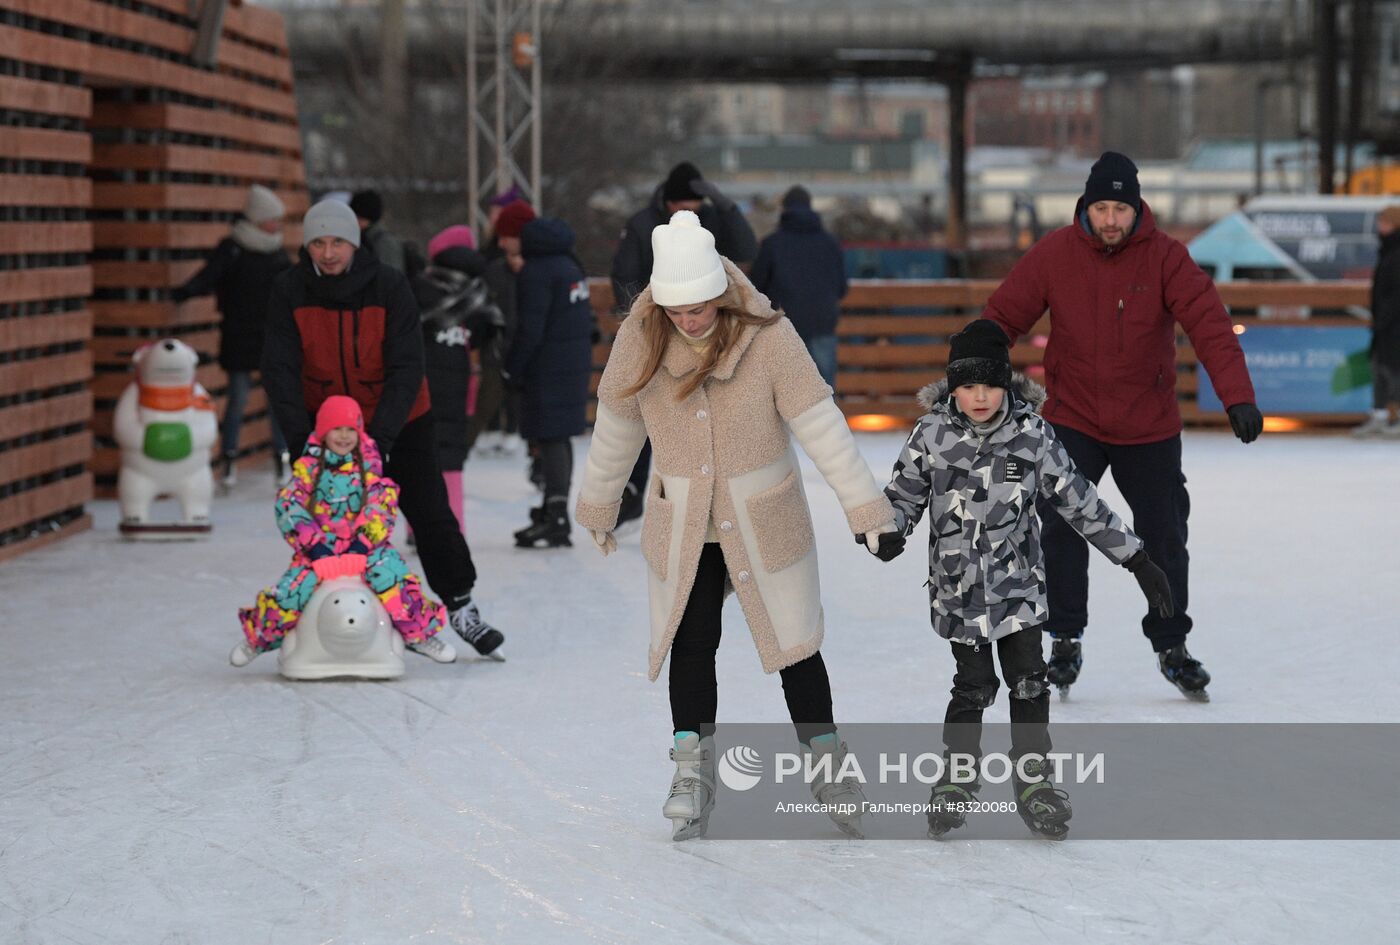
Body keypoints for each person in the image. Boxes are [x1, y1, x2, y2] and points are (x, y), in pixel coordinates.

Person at [576, 210, 895, 841]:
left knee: (796, 647)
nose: (689, 321)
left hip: (763, 517)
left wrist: (866, 509)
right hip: (686, 521)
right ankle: (693, 769)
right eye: (677, 310)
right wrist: (599, 502)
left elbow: (820, 424)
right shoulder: (641, 338)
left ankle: (829, 765)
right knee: (690, 647)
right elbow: (617, 424)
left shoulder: (769, 336)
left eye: (699, 308)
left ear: (720, 294)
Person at [873, 320, 1174, 839]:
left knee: (1030, 683)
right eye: (968, 386)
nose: (980, 396)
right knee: (972, 688)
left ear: (1007, 384)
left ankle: (1034, 785)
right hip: (960, 592)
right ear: (953, 386)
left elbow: (1081, 502)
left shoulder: (1032, 435)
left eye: (990, 385)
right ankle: (956, 780)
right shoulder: (932, 435)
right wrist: (887, 531)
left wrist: (1136, 560)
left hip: (1019, 592)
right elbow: (902, 497)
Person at [981, 151, 1261, 701]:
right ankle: (1063, 636)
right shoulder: (1055, 254)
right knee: (1061, 525)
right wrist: (972, 375)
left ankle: (1170, 643)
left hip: (1148, 421)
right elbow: (1002, 316)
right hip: (1073, 415)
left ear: (1138, 210)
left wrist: (1238, 397)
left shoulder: (1166, 259)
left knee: (1162, 536)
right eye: (1102, 207)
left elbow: (1210, 325)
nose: (1111, 220)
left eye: (1121, 209)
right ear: (1086, 206)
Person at [262, 199, 506, 660]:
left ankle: (460, 604)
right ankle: (331, 617)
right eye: (318, 242)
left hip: (401, 420)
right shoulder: (288, 291)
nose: (328, 252)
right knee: (331, 527)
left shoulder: (390, 286)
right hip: (328, 429)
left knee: (430, 512)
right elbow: (279, 370)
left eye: (337, 242)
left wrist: (382, 439)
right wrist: (302, 443)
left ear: (354, 243)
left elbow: (407, 365)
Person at [231, 396, 457, 667]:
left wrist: (363, 544)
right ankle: (259, 639)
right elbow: (289, 506)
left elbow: (381, 504)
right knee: (291, 591)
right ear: (323, 431)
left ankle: (419, 636)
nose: (344, 436)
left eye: (351, 429)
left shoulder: (369, 465)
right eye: (336, 429)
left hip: (367, 550)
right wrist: (315, 547)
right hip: (320, 551)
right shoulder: (308, 468)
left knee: (395, 579)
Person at [610, 162, 760, 532]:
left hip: (710, 333)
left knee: (708, 411)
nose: (687, 215)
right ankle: (634, 490)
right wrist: (638, 320)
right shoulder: (644, 224)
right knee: (651, 408)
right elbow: (624, 272)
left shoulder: (711, 219)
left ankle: (713, 497)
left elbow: (746, 247)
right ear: (668, 203)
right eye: (681, 207)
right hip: (658, 331)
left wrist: (726, 206)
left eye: (695, 207)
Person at [171, 184, 293, 486]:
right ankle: (229, 459)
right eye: (273, 218)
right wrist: (186, 291)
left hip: (270, 338)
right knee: (237, 399)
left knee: (275, 401)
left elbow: (293, 289)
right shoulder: (233, 249)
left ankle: (283, 458)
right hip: (239, 334)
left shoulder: (277, 254)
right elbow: (210, 275)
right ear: (258, 218)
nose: (277, 224)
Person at [503, 215, 595, 548]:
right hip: (573, 361)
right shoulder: (571, 265)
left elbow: (531, 327)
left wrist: (512, 367)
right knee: (560, 435)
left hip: (547, 365)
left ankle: (556, 518)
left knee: (552, 435)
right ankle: (551, 511)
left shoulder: (537, 272)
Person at [411, 225, 504, 537]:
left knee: (420, 457)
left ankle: (416, 527)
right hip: (457, 385)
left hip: (419, 385)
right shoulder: (476, 293)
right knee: (450, 459)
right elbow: (486, 334)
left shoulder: (417, 288)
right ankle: (454, 528)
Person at [751, 185, 849, 387]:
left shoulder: (772, 244)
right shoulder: (830, 243)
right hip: (823, 322)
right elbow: (841, 287)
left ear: (784, 210)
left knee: (787, 389)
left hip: (785, 325)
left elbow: (757, 287)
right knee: (824, 390)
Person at [469, 200, 534, 457]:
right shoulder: (493, 264)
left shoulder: (534, 268)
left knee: (515, 389)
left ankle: (513, 429)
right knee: (492, 385)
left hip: (519, 336)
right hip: (496, 336)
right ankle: (491, 428)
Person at [1353, 205, 1400, 437]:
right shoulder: (1387, 249)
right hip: (1385, 326)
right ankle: (1379, 415)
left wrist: (1383, 319)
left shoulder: (1395, 251)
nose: (1378, 227)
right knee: (1380, 369)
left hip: (1393, 326)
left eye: (1383, 222)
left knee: (1393, 371)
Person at [350, 189, 408, 274]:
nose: (354, 220)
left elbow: (391, 278)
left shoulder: (385, 243)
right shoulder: (362, 237)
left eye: (358, 217)